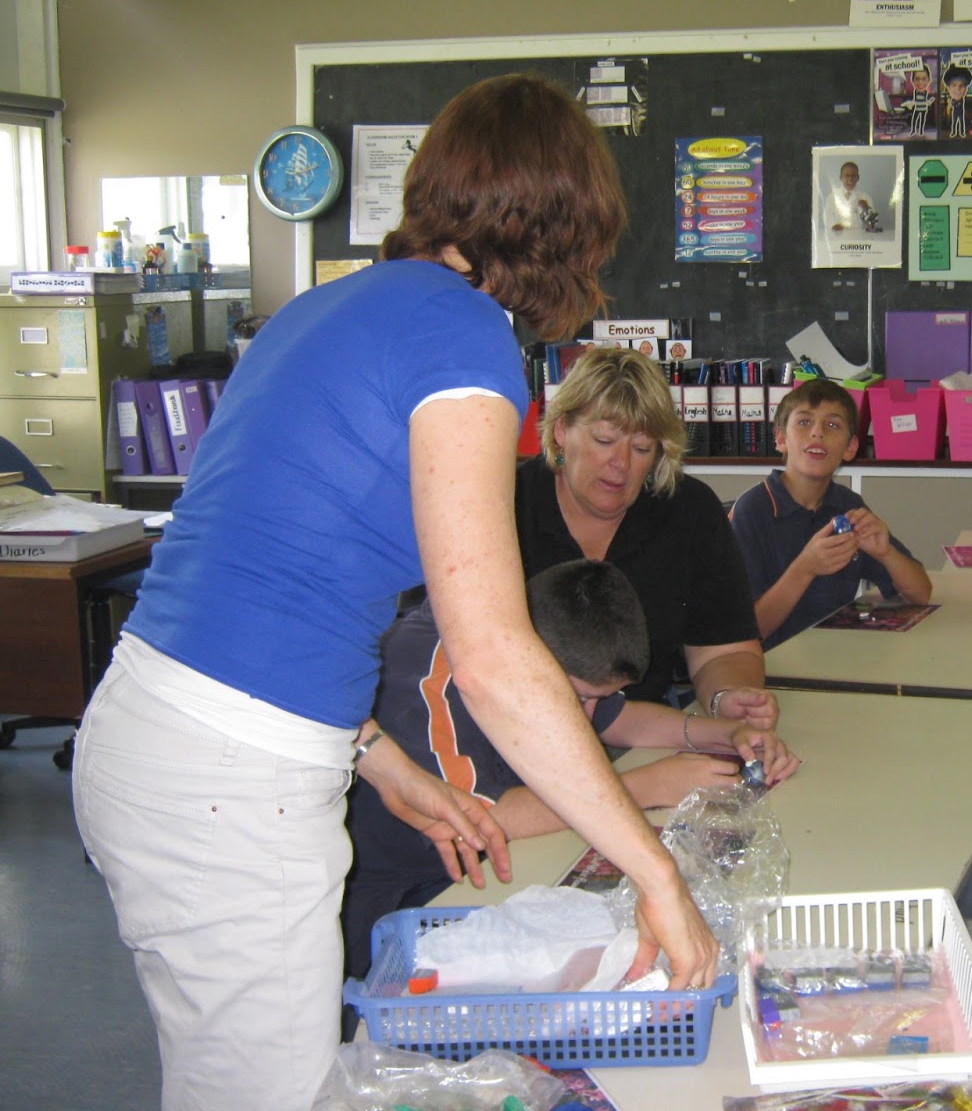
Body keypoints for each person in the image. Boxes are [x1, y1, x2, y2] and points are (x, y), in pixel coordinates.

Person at [70, 73, 720, 1111]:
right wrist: (654, 874)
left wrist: (379, 763)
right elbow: (498, 652)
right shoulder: (461, 340)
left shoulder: (322, 310)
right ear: (559, 228)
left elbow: (259, 581)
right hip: (227, 783)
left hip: (159, 732)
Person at [342, 559, 802, 981]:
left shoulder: (547, 657)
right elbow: (487, 820)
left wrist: (723, 734)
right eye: (579, 697)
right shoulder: (429, 682)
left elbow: (620, 720)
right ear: (532, 658)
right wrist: (643, 787)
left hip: (486, 876)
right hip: (397, 901)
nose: (585, 715)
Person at [515, 346, 778, 727]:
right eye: (604, 440)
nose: (620, 463)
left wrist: (725, 698)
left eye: (641, 448)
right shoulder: (505, 504)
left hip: (648, 726)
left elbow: (723, 649)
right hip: (516, 728)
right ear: (561, 430)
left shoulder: (689, 510)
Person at [730, 378, 932, 650]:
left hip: (832, 658)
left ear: (850, 448)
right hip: (769, 670)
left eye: (833, 425)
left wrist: (886, 553)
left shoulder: (847, 506)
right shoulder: (751, 513)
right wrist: (805, 568)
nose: (817, 433)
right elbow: (743, 634)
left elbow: (920, 594)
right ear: (780, 438)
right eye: (804, 422)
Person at [826, 161, 881, 234]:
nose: (850, 179)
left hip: (858, 237)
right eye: (847, 175)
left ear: (858, 178)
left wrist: (866, 208)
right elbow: (827, 216)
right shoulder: (832, 196)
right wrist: (834, 225)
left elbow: (872, 223)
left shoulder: (865, 197)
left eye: (853, 175)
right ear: (841, 178)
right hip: (837, 236)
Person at [903, 65, 936, 138]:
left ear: (929, 80)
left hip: (924, 109)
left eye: (924, 79)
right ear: (913, 80)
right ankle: (913, 130)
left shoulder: (925, 92)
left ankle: (921, 130)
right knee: (915, 119)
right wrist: (910, 104)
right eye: (917, 79)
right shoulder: (915, 92)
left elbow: (925, 100)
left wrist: (929, 102)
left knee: (922, 120)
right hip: (917, 108)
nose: (920, 82)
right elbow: (915, 100)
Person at [944, 64, 972, 138]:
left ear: (966, 89)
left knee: (961, 123)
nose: (958, 89)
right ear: (948, 88)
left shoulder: (963, 101)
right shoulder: (952, 101)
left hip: (961, 114)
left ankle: (962, 133)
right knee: (954, 123)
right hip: (955, 114)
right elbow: (953, 104)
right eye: (954, 85)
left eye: (961, 85)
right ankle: (953, 132)